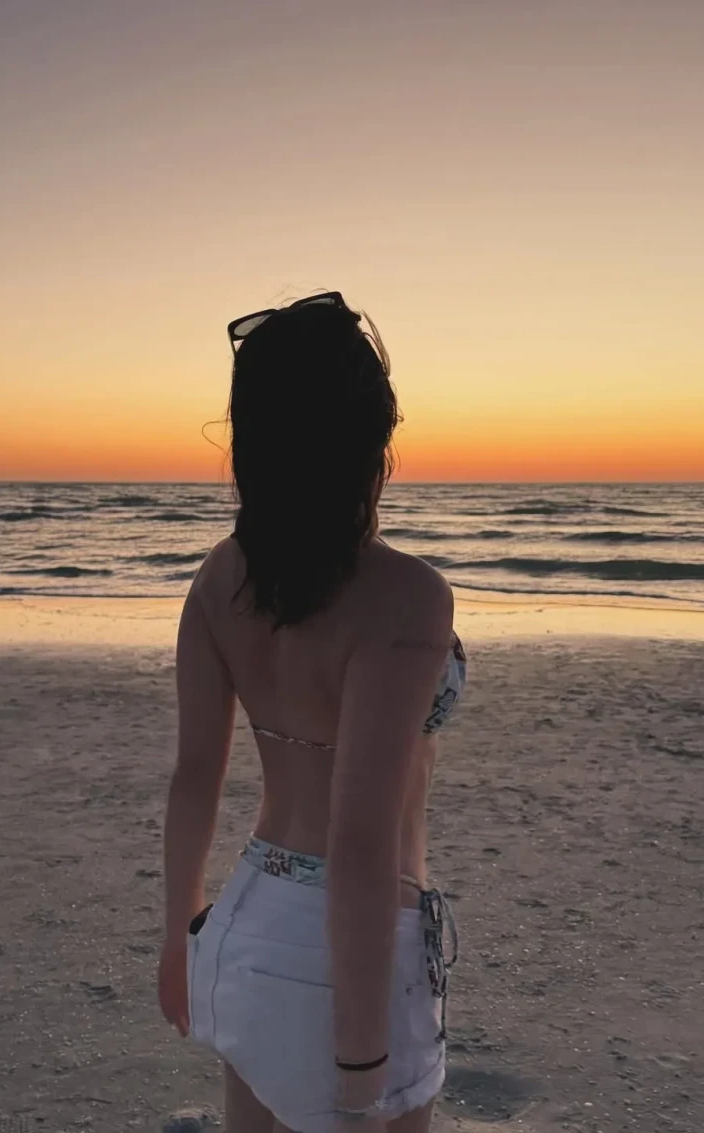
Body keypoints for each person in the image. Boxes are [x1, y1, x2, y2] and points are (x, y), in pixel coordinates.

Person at [158, 292, 466, 1133]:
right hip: (358, 943)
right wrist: (361, 1069)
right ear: (369, 438)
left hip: (247, 916)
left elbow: (195, 777)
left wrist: (181, 937)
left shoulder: (221, 578)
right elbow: (360, 839)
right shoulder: (406, 595)